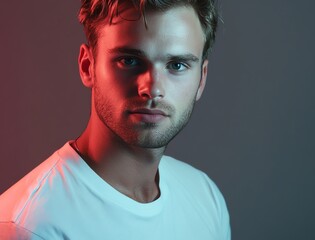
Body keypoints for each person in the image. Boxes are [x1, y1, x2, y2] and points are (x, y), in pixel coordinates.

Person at [0, 0, 230, 239]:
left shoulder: (205, 198)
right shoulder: (30, 226)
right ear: (88, 66)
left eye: (177, 65)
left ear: (201, 79)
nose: (152, 88)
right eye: (129, 61)